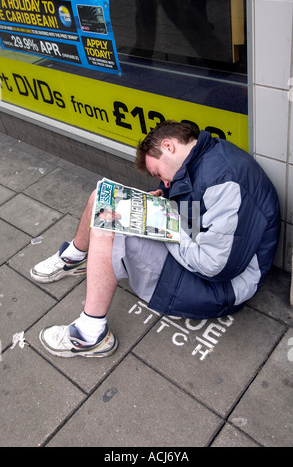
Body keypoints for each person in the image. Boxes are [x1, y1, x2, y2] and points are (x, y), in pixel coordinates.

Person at [31, 121, 281, 358]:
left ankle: (90, 334)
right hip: (202, 249)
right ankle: (76, 256)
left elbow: (214, 266)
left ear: (168, 146)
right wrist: (166, 199)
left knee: (108, 227)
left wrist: (165, 222)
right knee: (101, 198)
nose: (163, 181)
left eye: (158, 173)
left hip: (223, 288)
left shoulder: (224, 182)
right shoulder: (206, 157)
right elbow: (198, 207)